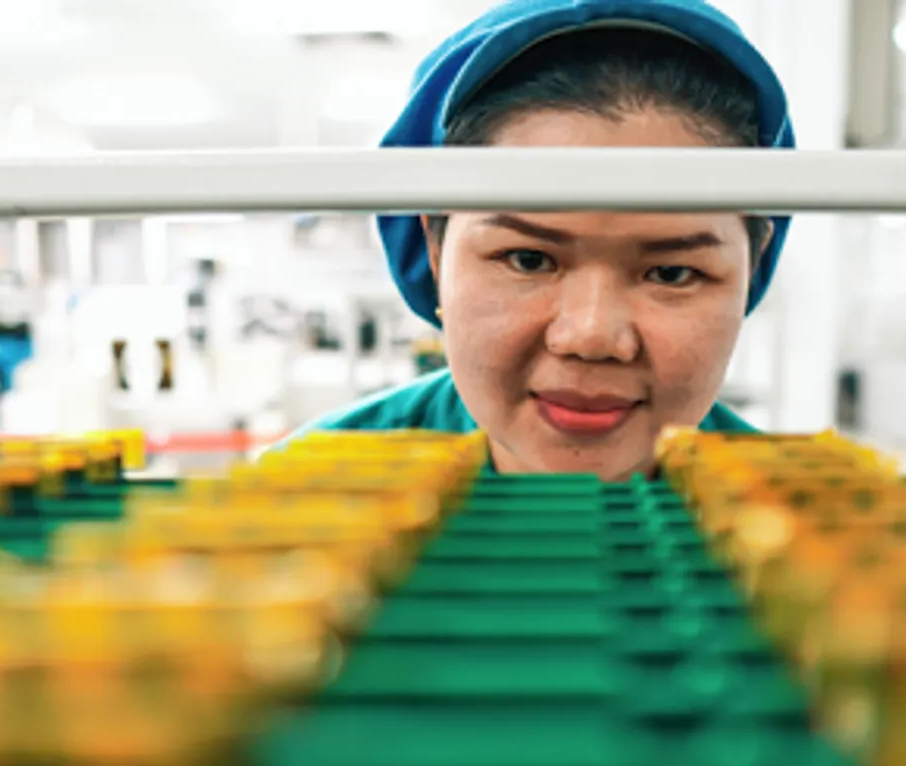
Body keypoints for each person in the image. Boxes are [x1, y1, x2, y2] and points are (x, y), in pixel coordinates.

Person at [279, 0, 795, 481]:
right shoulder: (298, 497)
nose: (591, 337)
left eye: (671, 272)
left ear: (751, 270)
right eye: (528, 259)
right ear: (436, 255)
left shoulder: (821, 525)